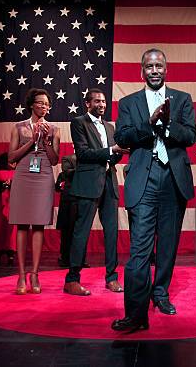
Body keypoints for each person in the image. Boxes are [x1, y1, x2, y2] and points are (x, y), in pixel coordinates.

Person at [112, 48, 196, 332]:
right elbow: (122, 136)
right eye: (149, 66)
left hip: (173, 180)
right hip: (144, 181)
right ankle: (136, 314)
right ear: (142, 71)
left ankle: (160, 293)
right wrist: (150, 125)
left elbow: (190, 136)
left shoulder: (183, 99)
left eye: (159, 65)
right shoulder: (128, 103)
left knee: (168, 245)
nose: (154, 70)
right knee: (139, 249)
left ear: (166, 68)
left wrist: (167, 125)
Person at [63, 88, 127, 295]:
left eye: (104, 101)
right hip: (88, 183)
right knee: (81, 232)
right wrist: (111, 151)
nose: (101, 104)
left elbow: (113, 157)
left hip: (109, 183)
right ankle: (72, 279)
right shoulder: (79, 122)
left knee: (112, 233)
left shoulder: (110, 127)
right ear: (87, 104)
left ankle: (112, 278)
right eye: (97, 101)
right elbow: (83, 153)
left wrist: (119, 152)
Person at [8, 88, 60, 295]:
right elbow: (11, 157)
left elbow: (55, 159)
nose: (44, 107)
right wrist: (32, 140)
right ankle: (21, 275)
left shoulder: (55, 129)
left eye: (47, 104)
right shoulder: (18, 128)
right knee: (22, 225)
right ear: (31, 104)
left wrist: (45, 140)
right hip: (23, 174)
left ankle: (35, 274)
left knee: (39, 225)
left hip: (44, 175)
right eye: (40, 103)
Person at [55, 153, 77, 268]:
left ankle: (79, 259)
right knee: (66, 232)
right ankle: (64, 258)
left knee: (78, 231)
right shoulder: (63, 173)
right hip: (67, 204)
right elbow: (57, 187)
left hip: (79, 202)